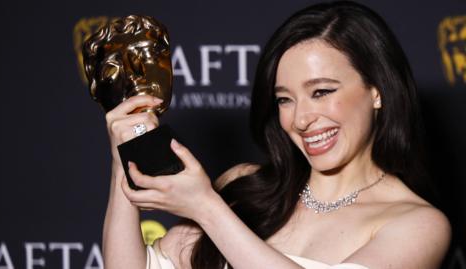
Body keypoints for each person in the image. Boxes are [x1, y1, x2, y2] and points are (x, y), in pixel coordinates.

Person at [101, 1, 451, 268]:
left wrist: (206, 207)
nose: (300, 119)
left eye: (322, 92)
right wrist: (124, 157)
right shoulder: (244, 188)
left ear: (377, 91)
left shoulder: (418, 224)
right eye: (285, 99)